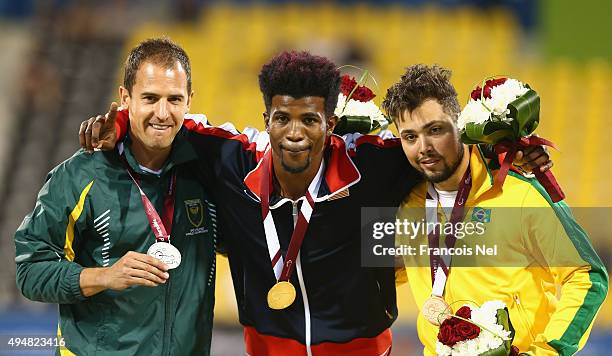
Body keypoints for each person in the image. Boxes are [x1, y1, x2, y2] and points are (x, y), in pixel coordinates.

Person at [79, 51, 550, 355]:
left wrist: (508, 152)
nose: (296, 132)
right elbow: (171, 121)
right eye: (282, 118)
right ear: (266, 118)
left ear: (331, 122)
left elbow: (442, 148)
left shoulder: (374, 164)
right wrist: (118, 125)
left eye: (311, 119)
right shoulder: (232, 160)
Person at [382, 64, 608, 355]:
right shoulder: (407, 203)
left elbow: (587, 275)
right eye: (410, 137)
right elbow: (395, 268)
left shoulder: (520, 193)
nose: (423, 147)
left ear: (459, 124)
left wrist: (548, 351)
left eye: (435, 130)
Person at [14, 38, 218, 355]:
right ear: (125, 97)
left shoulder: (208, 172)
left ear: (189, 101)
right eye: (150, 98)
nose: (163, 113)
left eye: (174, 99)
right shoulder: (79, 176)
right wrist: (104, 276)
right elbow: (30, 271)